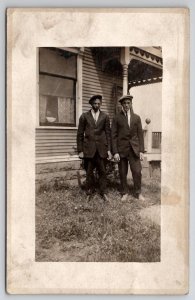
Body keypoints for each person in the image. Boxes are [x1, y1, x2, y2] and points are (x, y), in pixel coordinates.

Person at [77, 94, 112, 201]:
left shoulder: (105, 116)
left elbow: (108, 134)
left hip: (101, 150)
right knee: (89, 172)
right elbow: (79, 134)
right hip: (89, 150)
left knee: (102, 172)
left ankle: (104, 192)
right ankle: (89, 193)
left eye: (99, 103)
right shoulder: (84, 116)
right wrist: (80, 150)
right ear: (91, 104)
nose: (97, 105)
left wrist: (109, 150)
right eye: (95, 103)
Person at [111, 94, 145, 201]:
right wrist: (115, 152)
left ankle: (138, 192)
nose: (126, 105)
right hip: (122, 150)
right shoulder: (117, 118)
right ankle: (124, 192)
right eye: (124, 103)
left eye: (128, 103)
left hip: (134, 150)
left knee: (137, 171)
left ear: (131, 104)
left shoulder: (136, 118)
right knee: (122, 172)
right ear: (121, 105)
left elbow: (140, 135)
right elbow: (113, 136)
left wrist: (141, 151)